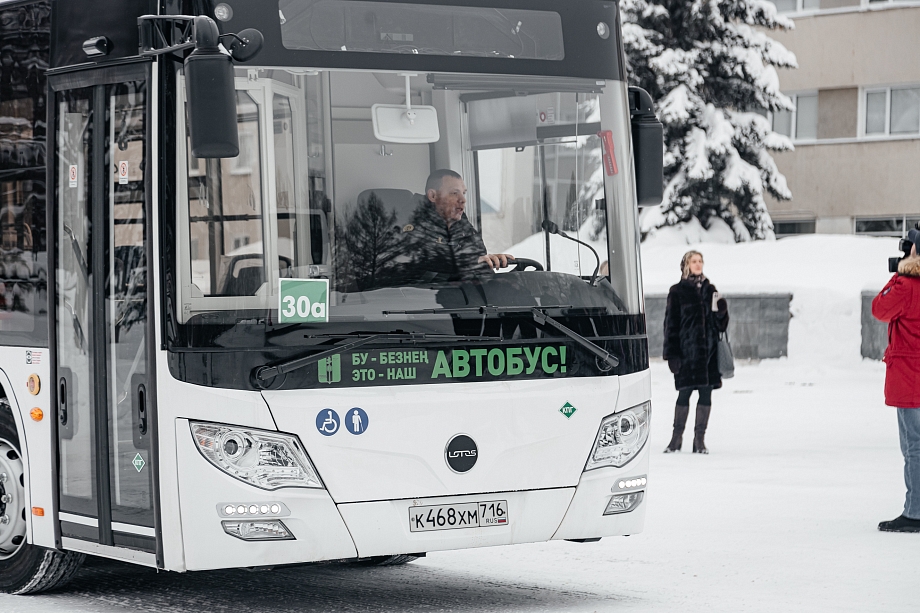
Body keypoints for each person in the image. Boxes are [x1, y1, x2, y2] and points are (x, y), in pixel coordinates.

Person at [872, 228, 920, 533]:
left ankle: (914, 512)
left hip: (910, 376)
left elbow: (879, 308)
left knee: (914, 446)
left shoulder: (907, 285)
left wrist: (901, 271)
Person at [662, 250, 729, 454]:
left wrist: (722, 311)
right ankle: (676, 439)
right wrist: (672, 354)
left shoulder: (711, 290)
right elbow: (670, 325)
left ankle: (699, 441)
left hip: (708, 355)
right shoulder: (677, 291)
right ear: (686, 265)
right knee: (684, 395)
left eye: (700, 261)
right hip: (686, 354)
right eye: (694, 261)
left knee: (706, 395)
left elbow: (720, 326)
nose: (698, 264)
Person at [402, 169, 514, 280]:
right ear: (433, 196)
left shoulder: (459, 222)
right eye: (454, 193)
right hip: (416, 294)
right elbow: (424, 257)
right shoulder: (410, 222)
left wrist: (492, 261)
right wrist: (468, 261)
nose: (463, 199)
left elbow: (477, 256)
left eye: (463, 193)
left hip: (457, 292)